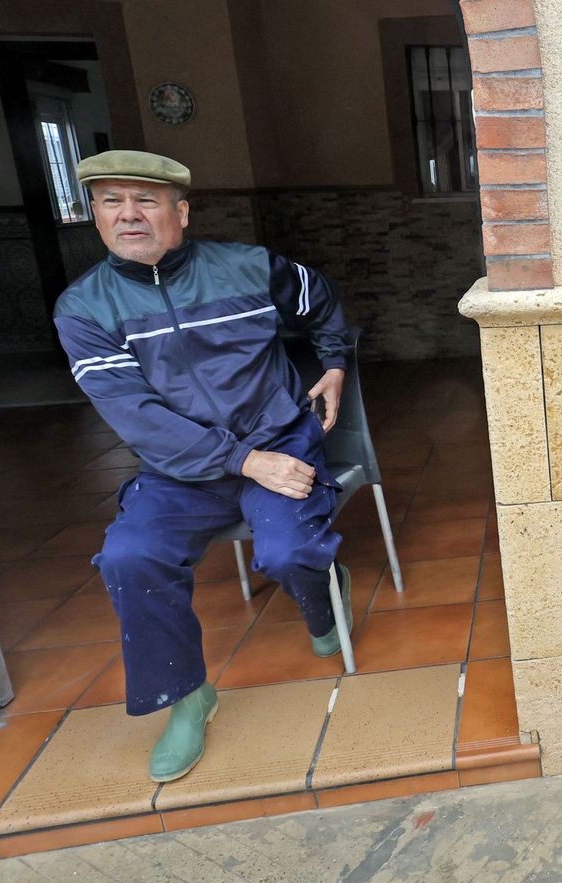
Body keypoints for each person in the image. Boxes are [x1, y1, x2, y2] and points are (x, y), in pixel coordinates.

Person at [53, 151, 355, 783]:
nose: (130, 215)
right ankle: (188, 699)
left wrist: (333, 358)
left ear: (181, 212)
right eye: (112, 202)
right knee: (129, 556)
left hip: (279, 439)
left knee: (288, 552)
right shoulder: (83, 310)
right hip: (179, 471)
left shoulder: (249, 267)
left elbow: (319, 297)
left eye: (147, 201)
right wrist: (243, 461)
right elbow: (136, 415)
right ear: (95, 217)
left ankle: (325, 598)